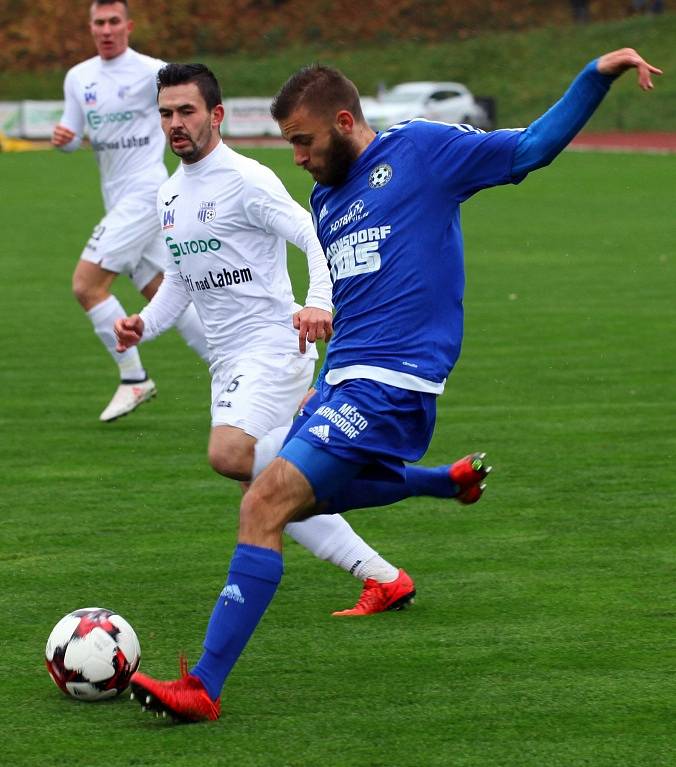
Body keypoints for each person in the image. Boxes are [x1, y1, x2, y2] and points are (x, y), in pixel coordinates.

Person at [129, 47, 661, 723]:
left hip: (392, 383)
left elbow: (531, 148)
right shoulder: (326, 198)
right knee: (301, 502)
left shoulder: (424, 153)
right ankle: (446, 481)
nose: (298, 158)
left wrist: (594, 74)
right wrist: (319, 387)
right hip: (346, 380)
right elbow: (357, 299)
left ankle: (203, 685)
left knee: (261, 500)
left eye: (304, 141)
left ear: (345, 121)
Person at [114, 63, 482, 622]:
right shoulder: (170, 197)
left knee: (234, 458)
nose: (175, 123)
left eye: (186, 111)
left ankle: (388, 562)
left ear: (215, 115)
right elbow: (183, 281)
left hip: (273, 344)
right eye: (165, 113)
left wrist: (319, 302)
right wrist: (144, 322)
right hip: (228, 361)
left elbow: (314, 236)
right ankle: (400, 552)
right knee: (277, 478)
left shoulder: (246, 179)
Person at [52, 0, 208, 422]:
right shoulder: (78, 77)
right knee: (166, 294)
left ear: (128, 26)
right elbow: (71, 138)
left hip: (145, 192)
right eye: (98, 23)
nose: (106, 29)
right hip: (118, 199)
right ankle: (233, 364)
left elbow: (192, 99)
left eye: (113, 22)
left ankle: (132, 377)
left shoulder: (151, 72)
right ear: (91, 28)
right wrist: (64, 138)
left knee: (87, 285)